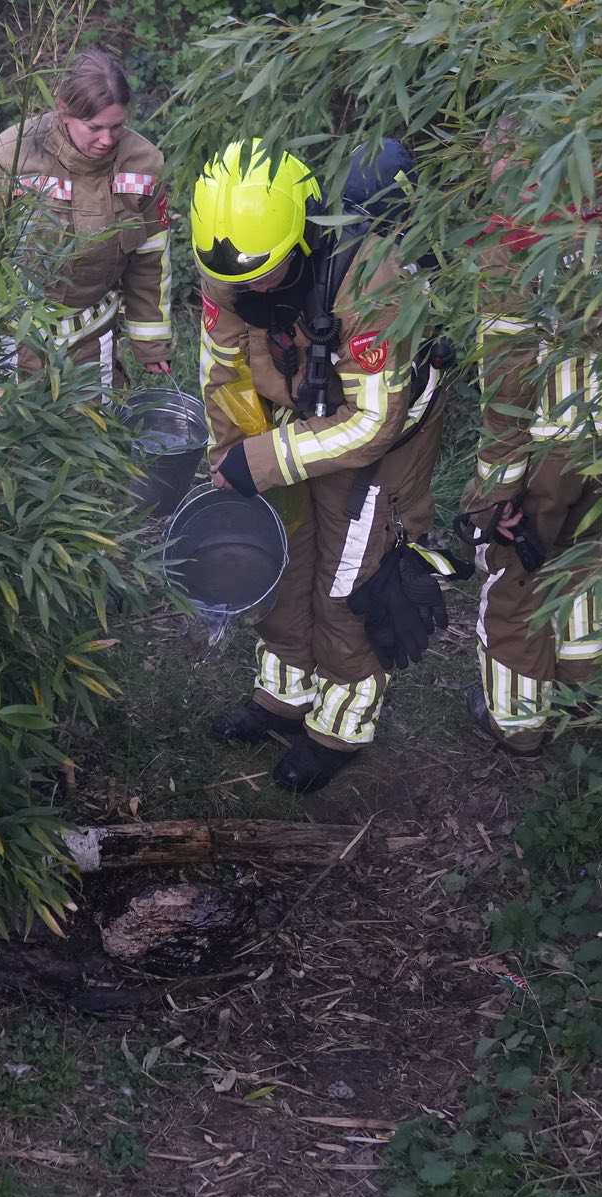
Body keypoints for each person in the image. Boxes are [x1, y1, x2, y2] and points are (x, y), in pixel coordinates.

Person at [193, 139, 455, 794]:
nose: (248, 288)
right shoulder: (227, 259)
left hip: (384, 432)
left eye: (265, 273)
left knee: (348, 575)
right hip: (298, 410)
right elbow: (224, 369)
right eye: (237, 278)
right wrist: (229, 457)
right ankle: (283, 696)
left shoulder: (369, 278)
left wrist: (264, 459)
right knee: (285, 553)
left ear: (301, 234)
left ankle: (340, 726)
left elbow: (373, 424)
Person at [461, 136, 602, 755]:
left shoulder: (514, 238)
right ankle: (581, 692)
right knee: (585, 560)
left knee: (514, 574)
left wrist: (496, 482)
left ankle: (518, 722)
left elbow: (508, 375)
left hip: (549, 445)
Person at [0, 48, 172, 400]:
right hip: (15, 330)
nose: (107, 140)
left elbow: (151, 258)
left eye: (116, 126)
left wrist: (151, 343)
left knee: (93, 431)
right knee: (12, 432)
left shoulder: (142, 163)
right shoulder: (12, 154)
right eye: (94, 128)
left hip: (91, 329)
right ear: (63, 111)